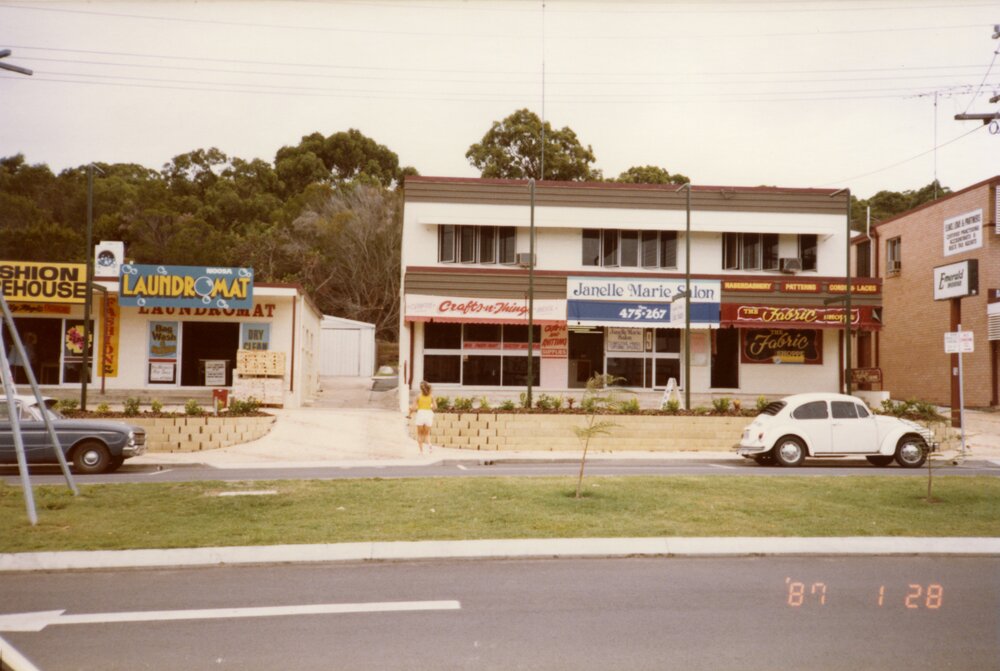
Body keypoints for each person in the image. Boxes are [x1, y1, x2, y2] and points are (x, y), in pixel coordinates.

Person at [409, 380, 434, 455]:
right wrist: (430, 406)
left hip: (420, 414)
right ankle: (429, 444)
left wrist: (409, 415)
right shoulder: (431, 396)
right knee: (427, 434)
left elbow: (413, 408)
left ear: (421, 388)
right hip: (429, 414)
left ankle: (421, 451)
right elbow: (435, 407)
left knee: (420, 434)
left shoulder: (418, 396)